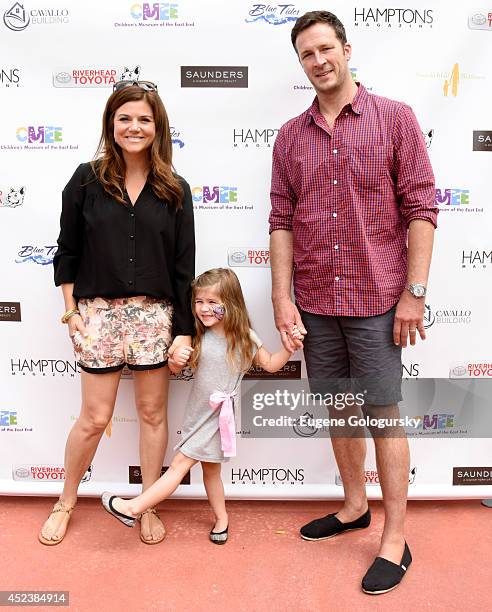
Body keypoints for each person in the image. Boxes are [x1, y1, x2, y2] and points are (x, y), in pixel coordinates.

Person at [269, 11, 437, 594]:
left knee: (383, 416)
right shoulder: (290, 136)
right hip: (315, 301)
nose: (318, 61)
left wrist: (414, 293)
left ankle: (395, 537)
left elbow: (421, 210)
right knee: (340, 410)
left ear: (345, 48)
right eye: (306, 55)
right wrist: (281, 299)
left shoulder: (395, 119)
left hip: (377, 301)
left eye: (324, 49)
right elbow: (281, 222)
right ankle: (353, 506)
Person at [38, 80, 195, 546]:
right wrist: (71, 313)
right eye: (125, 118)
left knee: (151, 414)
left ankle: (146, 503)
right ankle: (65, 500)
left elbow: (183, 267)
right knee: (93, 416)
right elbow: (66, 253)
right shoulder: (85, 180)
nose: (134, 126)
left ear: (158, 126)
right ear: (111, 123)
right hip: (97, 315)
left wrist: (183, 332)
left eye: (144, 119)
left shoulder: (175, 188)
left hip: (154, 317)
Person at [100, 268, 303, 543]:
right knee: (211, 471)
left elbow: (270, 364)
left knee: (179, 465)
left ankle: (133, 508)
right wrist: (175, 359)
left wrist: (289, 348)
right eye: (199, 302)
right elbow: (174, 368)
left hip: (219, 419)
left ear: (230, 304)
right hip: (198, 415)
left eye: (212, 302)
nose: (204, 309)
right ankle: (222, 519)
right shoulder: (197, 336)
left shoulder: (245, 337)